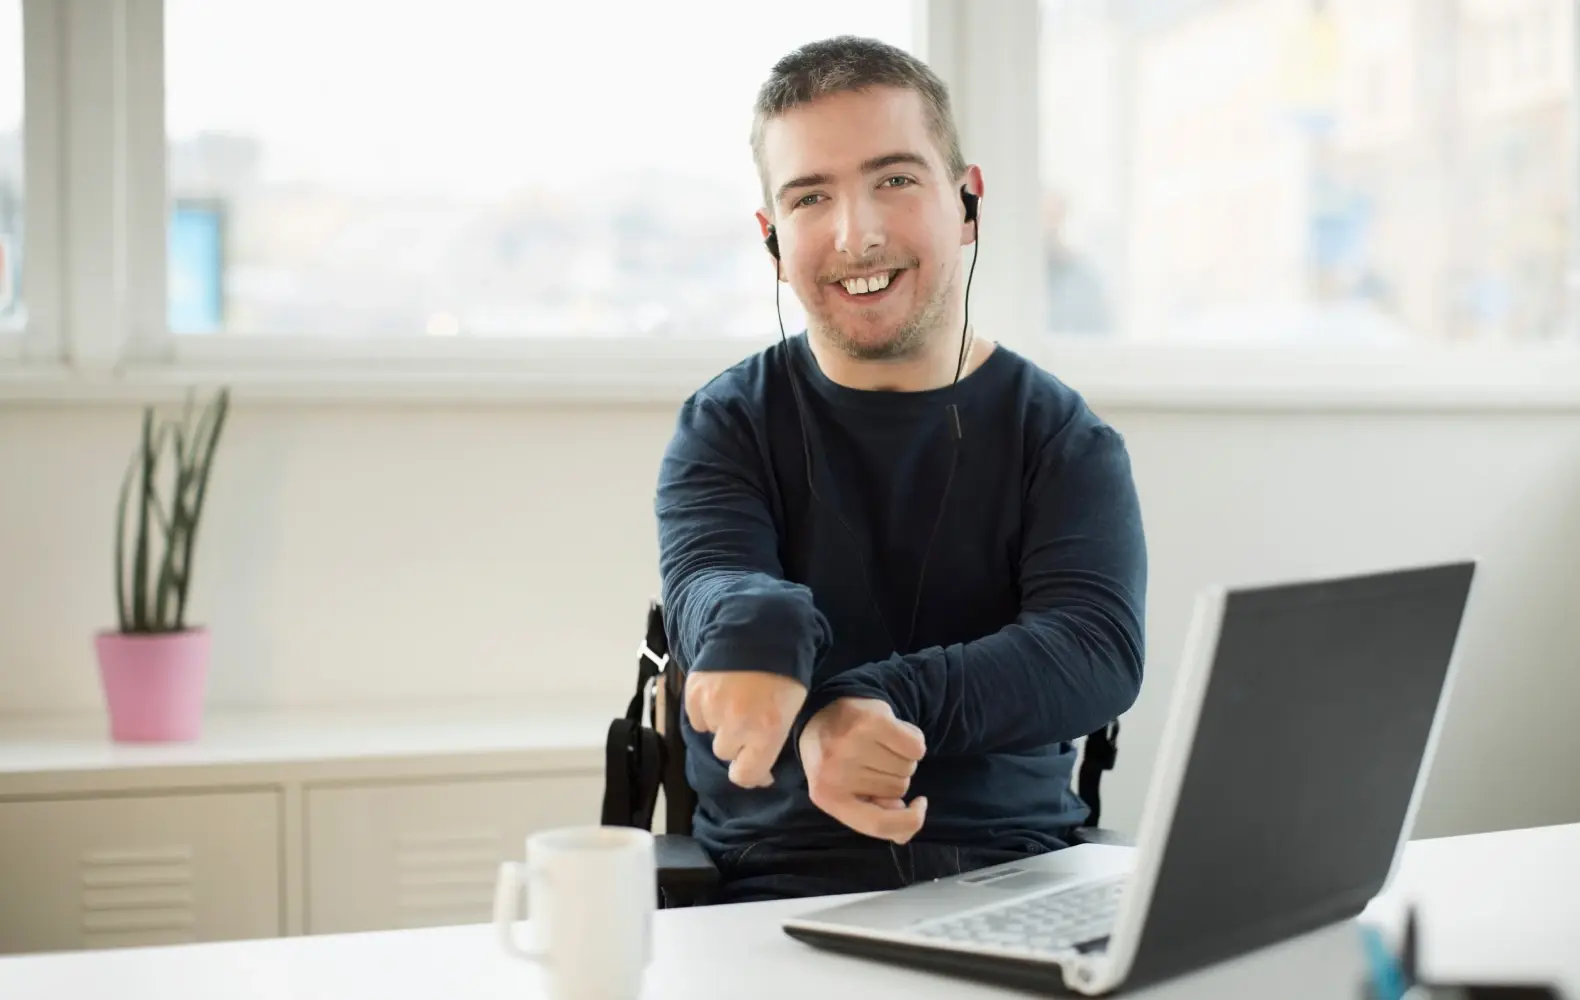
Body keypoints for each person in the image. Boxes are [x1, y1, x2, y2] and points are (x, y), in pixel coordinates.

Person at [654, 35, 1147, 904]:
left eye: (894, 179)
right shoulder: (725, 425)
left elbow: (1095, 648)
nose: (858, 233)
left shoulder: (1063, 438)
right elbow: (709, 585)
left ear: (967, 203)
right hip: (772, 891)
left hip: (1017, 879)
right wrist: (759, 625)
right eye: (812, 197)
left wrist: (869, 701)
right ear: (773, 240)